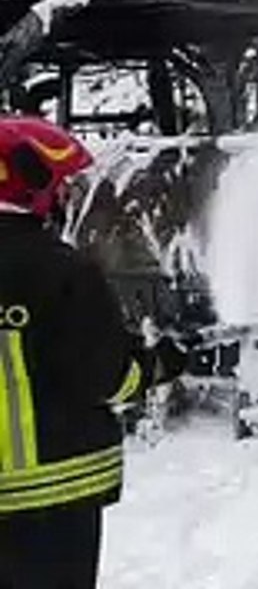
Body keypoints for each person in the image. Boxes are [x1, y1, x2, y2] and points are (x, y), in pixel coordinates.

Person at [0, 116, 191, 589]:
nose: (66, 198)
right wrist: (160, 363)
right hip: (50, 497)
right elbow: (108, 376)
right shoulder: (64, 273)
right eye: (62, 186)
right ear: (34, 182)